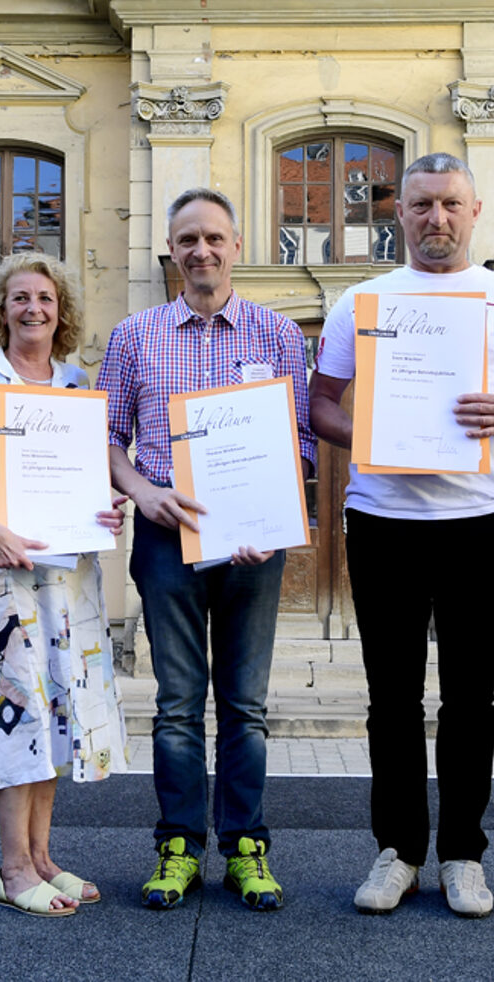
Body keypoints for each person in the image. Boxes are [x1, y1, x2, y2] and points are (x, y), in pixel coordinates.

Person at [309, 152, 494, 918]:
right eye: (421, 205)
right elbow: (321, 403)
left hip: (481, 524)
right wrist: (367, 429)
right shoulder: (360, 300)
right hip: (384, 524)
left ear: (475, 210)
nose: (437, 219)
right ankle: (397, 852)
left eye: (451, 205)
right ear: (398, 213)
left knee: (471, 699)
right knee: (390, 698)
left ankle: (463, 853)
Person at [96, 187, 316, 912]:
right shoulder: (135, 335)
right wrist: (142, 492)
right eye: (187, 240)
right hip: (165, 537)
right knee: (178, 705)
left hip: (254, 543)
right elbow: (107, 439)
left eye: (214, 239)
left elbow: (303, 443)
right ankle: (179, 848)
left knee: (245, 706)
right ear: (171, 250)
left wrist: (274, 517)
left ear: (236, 246)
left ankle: (247, 848)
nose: (202, 251)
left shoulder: (279, 334)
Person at [0, 252, 132, 917]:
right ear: (1, 309)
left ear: (61, 309)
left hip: (68, 579)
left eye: (44, 297)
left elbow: (88, 480)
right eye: (19, 298)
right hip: (2, 573)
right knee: (15, 713)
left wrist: (106, 509)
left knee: (57, 715)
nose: (33, 308)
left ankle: (43, 857)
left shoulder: (77, 385)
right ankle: (12, 867)